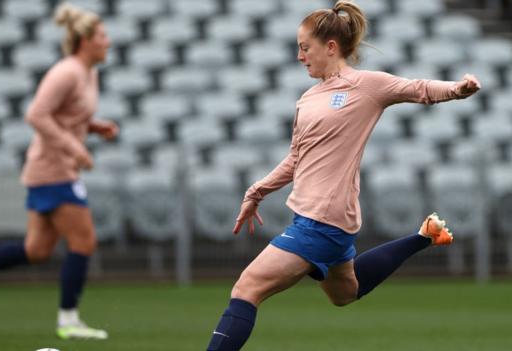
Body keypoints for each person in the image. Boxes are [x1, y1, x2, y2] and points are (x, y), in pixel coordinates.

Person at [205, 1, 481, 350]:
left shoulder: (366, 85)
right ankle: (424, 235)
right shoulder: (308, 99)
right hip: (317, 218)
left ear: (330, 47)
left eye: (305, 48)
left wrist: (457, 89)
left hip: (321, 221)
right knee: (344, 293)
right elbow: (296, 158)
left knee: (247, 289)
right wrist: (257, 190)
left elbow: (419, 88)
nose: (300, 56)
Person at [0, 3, 118, 340]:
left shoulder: (89, 73)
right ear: (85, 41)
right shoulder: (66, 72)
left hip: (56, 169)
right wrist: (75, 147)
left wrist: (95, 128)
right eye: (102, 36)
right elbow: (37, 114)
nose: (108, 42)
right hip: (52, 170)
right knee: (84, 239)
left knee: (36, 249)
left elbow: (68, 114)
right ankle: (68, 320)